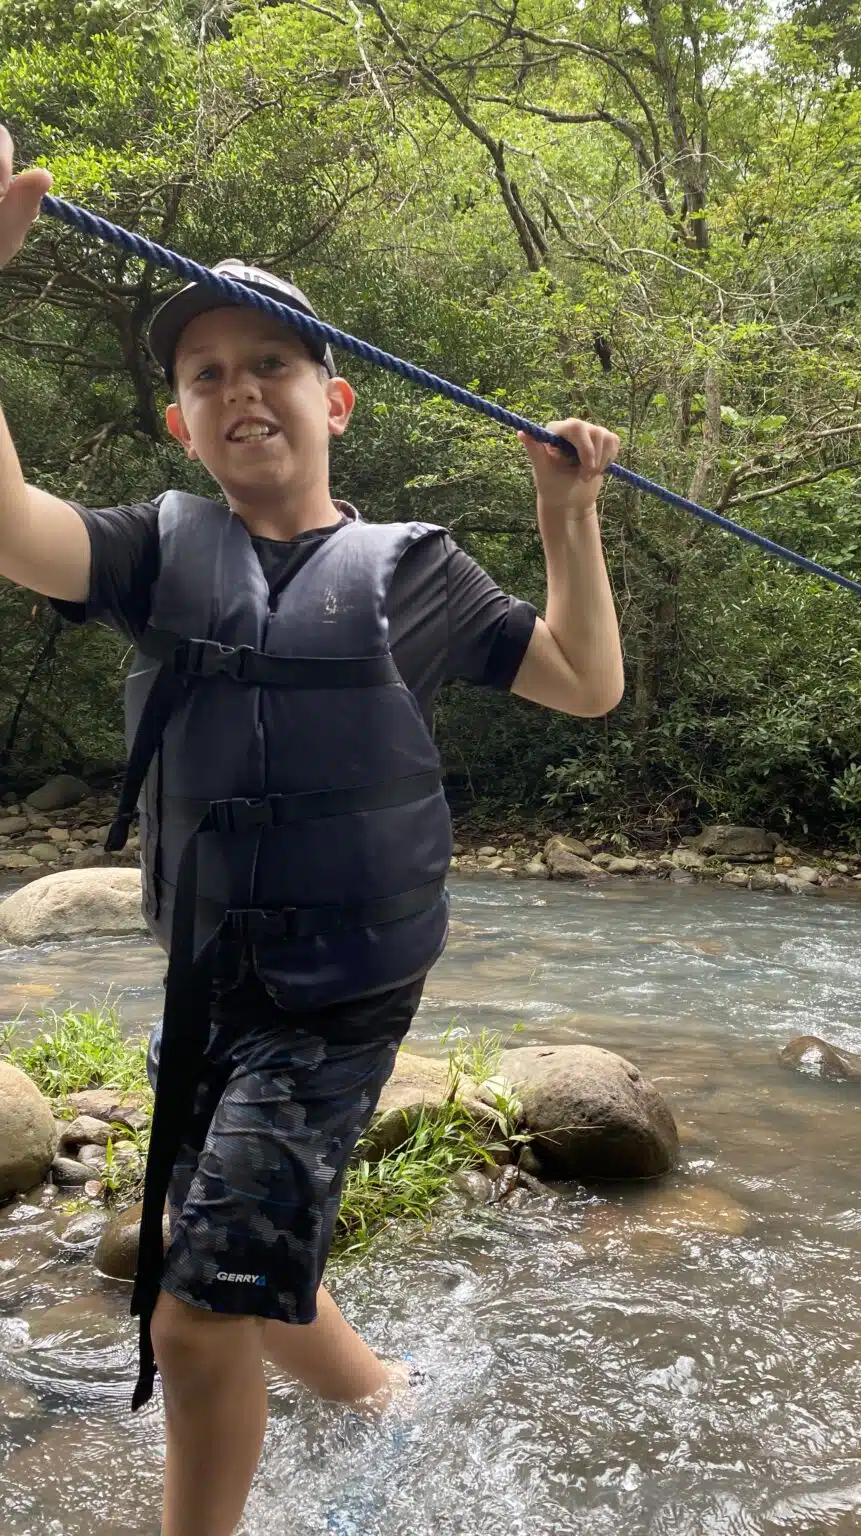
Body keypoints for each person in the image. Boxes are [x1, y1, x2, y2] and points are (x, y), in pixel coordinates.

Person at [0, 129, 623, 1536]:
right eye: (206, 375)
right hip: (207, 977)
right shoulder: (157, 555)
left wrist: (563, 516)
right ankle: (388, 1391)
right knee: (232, 1244)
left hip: (339, 998)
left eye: (270, 365)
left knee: (196, 1315)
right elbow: (10, 524)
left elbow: (586, 685)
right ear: (181, 424)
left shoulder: (414, 577)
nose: (241, 391)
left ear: (334, 398)